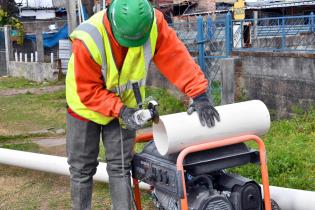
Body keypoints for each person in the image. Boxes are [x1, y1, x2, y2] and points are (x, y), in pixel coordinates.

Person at [65, 0, 220, 209]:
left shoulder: (154, 23)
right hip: (84, 107)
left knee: (120, 167)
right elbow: (88, 89)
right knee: (82, 170)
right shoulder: (88, 39)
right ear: (112, 22)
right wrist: (121, 110)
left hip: (124, 108)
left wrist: (199, 94)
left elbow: (176, 58)